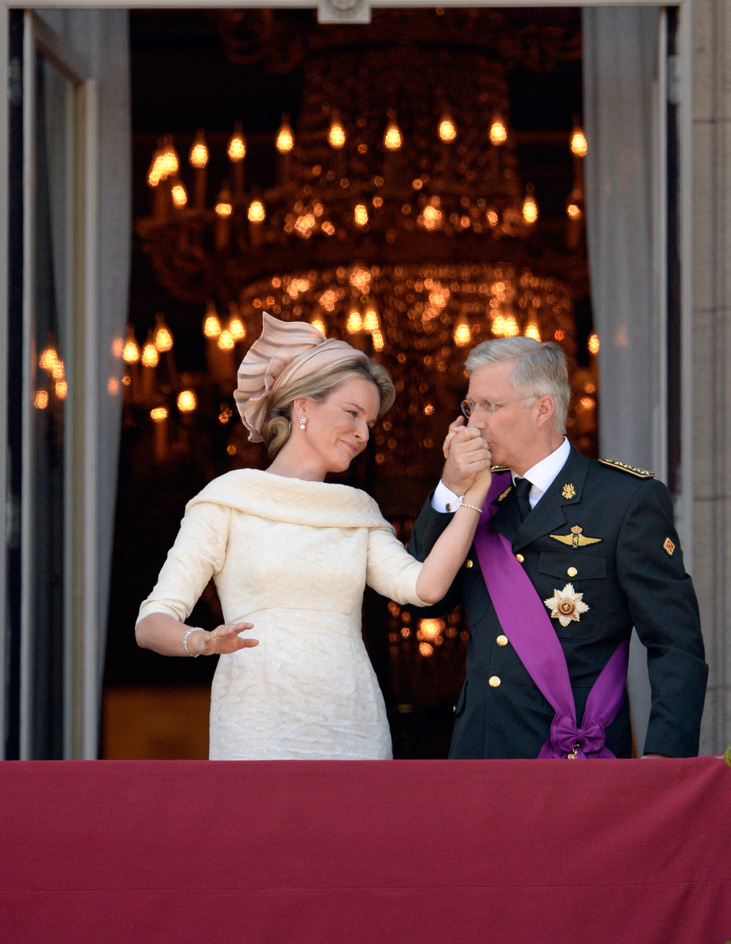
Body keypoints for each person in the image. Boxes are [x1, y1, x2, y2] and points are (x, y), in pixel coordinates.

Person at [135, 312, 492, 760]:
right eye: (352, 413)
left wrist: (473, 495)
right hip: (255, 728)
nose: (363, 433)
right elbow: (151, 623)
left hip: (354, 728)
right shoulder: (227, 499)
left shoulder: (356, 510)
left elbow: (425, 588)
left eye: (370, 423)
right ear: (302, 405)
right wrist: (201, 641)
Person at [408, 336, 708, 759]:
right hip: (481, 753)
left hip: (576, 756)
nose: (474, 423)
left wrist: (664, 760)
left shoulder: (623, 500)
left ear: (542, 409)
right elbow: (422, 602)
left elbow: (674, 643)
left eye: (490, 406)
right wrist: (449, 490)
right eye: (470, 407)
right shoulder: (480, 496)